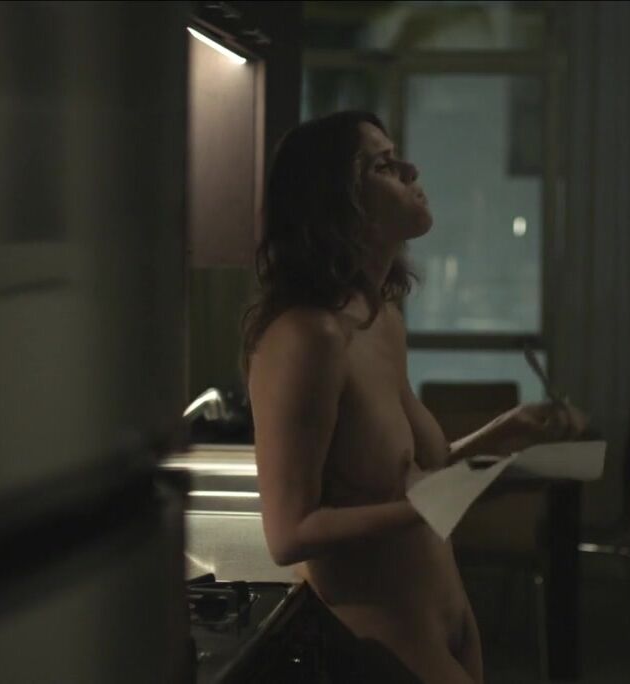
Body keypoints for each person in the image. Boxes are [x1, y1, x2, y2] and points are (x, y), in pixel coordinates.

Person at [241, 110, 588, 684]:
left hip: (444, 625)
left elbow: (413, 472)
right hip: (380, 648)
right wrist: (441, 500)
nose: (411, 170)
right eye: (383, 165)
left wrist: (510, 429)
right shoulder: (308, 336)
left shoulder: (380, 321)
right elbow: (288, 533)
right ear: (338, 201)